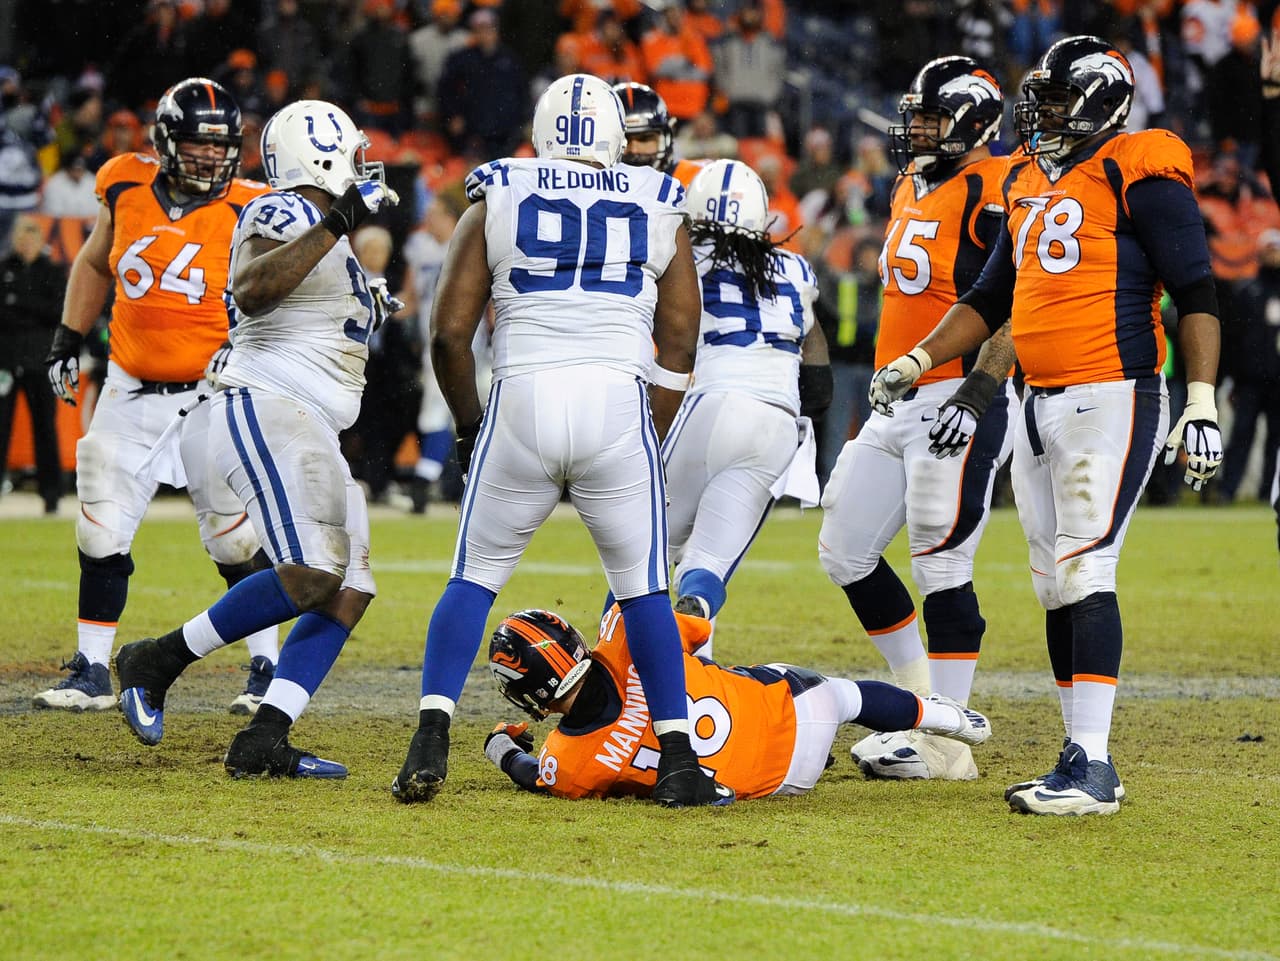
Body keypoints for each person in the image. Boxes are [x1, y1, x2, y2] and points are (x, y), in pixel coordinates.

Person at [871, 37, 1223, 815]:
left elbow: (1196, 291)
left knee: (1084, 571)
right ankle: (1079, 754)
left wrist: (1200, 400)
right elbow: (990, 297)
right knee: (1053, 585)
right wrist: (919, 357)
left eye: (1059, 100)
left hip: (1113, 392)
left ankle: (1094, 764)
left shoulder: (1140, 165)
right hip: (1034, 401)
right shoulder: (1030, 177)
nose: (1044, 114)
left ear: (1101, 100)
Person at [392, 74, 732, 808]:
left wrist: (468, 423)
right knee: (644, 590)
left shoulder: (500, 190)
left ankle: (430, 734)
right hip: (616, 399)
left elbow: (450, 332)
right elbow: (680, 333)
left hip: (523, 395)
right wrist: (656, 420)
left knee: (473, 576)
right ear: (615, 136)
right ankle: (676, 755)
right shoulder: (656, 197)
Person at [113, 99, 400, 778]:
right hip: (270, 405)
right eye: (349, 149)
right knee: (312, 573)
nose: (362, 161)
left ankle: (265, 736)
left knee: (350, 586)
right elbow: (254, 285)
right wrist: (342, 217)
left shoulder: (323, 228)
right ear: (322, 151)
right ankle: (154, 661)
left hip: (309, 421)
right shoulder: (285, 210)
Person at [34, 78, 279, 715]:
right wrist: (67, 336)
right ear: (166, 141)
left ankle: (265, 668)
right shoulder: (124, 183)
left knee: (234, 542)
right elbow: (93, 263)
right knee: (99, 525)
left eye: (221, 145)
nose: (210, 157)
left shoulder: (253, 207)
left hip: (214, 394)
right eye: (198, 143)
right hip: (130, 386)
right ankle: (90, 666)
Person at [817, 57, 1013, 782]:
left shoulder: (996, 186)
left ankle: (948, 740)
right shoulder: (911, 181)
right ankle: (925, 706)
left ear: (971, 122)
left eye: (931, 117)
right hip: (897, 394)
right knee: (844, 548)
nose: (915, 129)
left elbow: (1018, 297)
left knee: (940, 562)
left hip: (954, 391)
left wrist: (980, 393)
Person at [481, 605, 991, 800]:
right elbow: (699, 630)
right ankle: (945, 716)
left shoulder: (568, 762)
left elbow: (532, 773)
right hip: (800, 709)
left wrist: (499, 747)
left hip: (777, 785)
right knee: (843, 694)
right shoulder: (624, 630)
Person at [661, 159, 829, 624]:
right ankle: (694, 640)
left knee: (644, 557)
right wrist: (811, 407)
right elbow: (815, 352)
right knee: (707, 565)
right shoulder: (795, 268)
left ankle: (616, 673)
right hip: (776, 419)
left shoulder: (677, 256)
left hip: (710, 402)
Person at [0, 214, 66, 514]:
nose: (26, 244)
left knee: (45, 429)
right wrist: (29, 310)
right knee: (1, 428)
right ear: (15, 240)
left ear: (40, 242)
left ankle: (51, 494)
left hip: (41, 361)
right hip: (7, 361)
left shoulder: (52, 272)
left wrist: (17, 302)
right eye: (22, 238)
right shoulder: (4, 270)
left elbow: (56, 312)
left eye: (32, 238)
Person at [612, 82, 704, 186]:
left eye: (644, 139)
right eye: (624, 140)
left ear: (665, 138)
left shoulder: (695, 181)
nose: (634, 150)